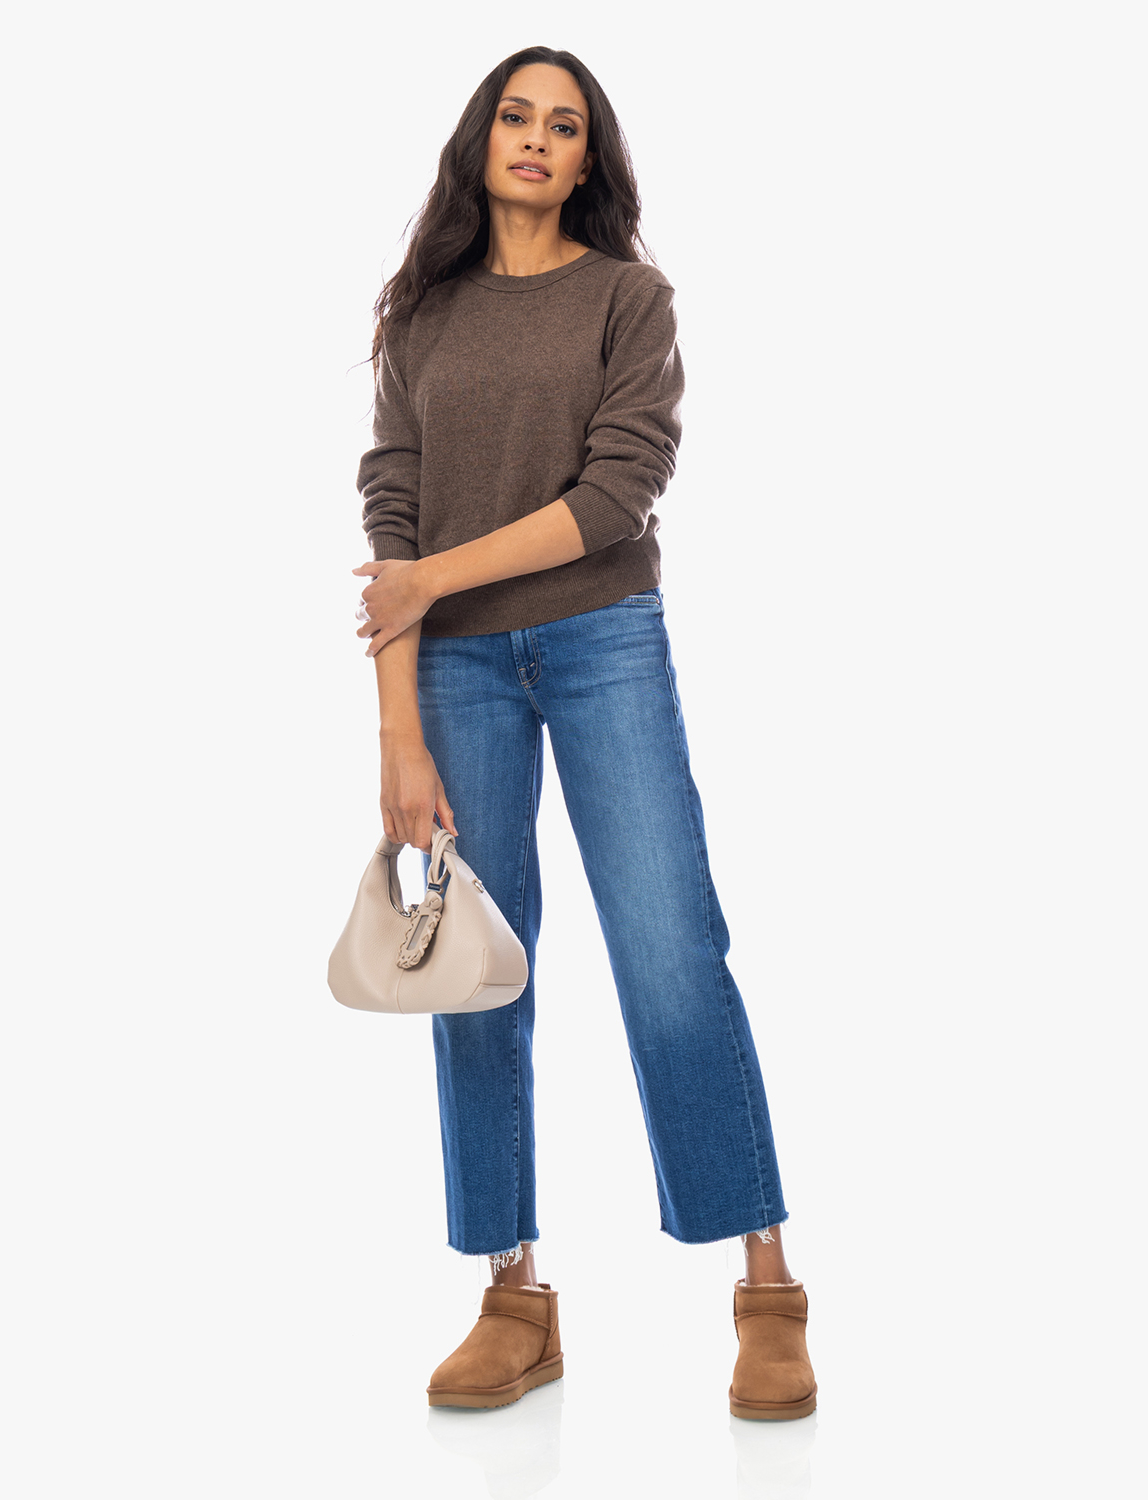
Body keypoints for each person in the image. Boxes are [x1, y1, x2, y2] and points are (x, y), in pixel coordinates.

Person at [353, 45, 816, 1420]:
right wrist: (397, 732)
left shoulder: (628, 299)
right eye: (517, 116)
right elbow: (391, 517)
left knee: (672, 954)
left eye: (565, 126)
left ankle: (767, 1288)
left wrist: (434, 578)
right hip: (454, 674)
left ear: (588, 159)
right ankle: (513, 1297)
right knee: (479, 977)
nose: (537, 139)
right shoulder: (422, 315)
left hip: (604, 640)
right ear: (481, 138)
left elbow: (621, 493)